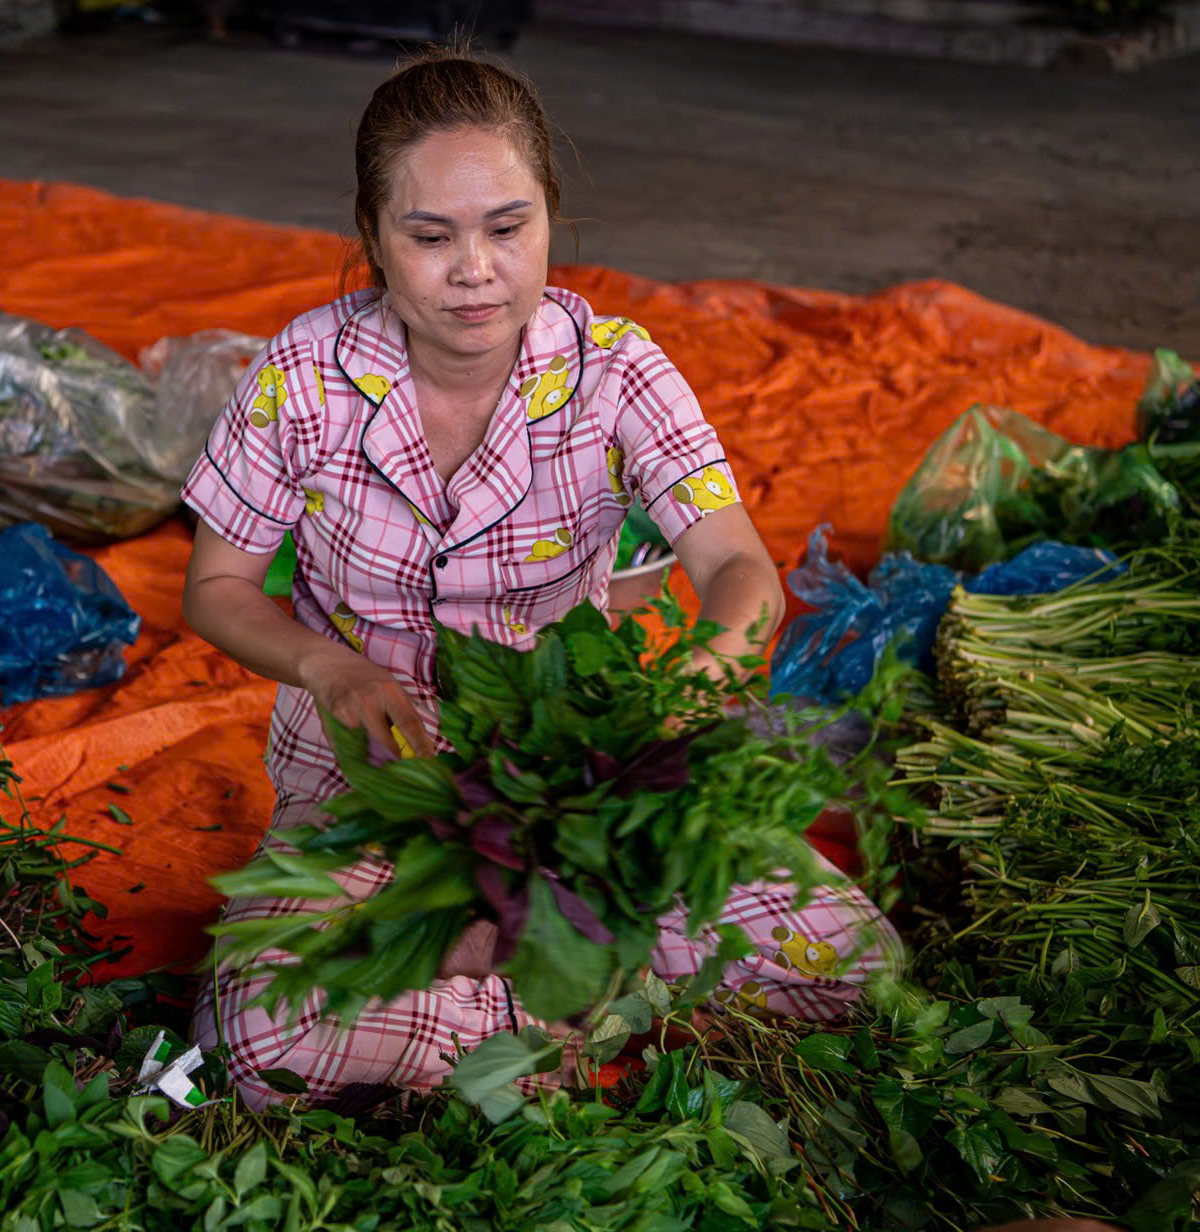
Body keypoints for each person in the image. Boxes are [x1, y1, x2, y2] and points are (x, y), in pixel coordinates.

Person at [179, 47, 894, 1112]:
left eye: (507, 228)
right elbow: (216, 584)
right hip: (376, 774)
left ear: (549, 220)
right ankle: (561, 983)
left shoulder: (616, 370)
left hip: (579, 779)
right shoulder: (304, 376)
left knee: (857, 970)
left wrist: (711, 664)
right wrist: (327, 669)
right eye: (430, 236)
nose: (475, 269)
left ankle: (510, 985)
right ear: (373, 238)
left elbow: (741, 566)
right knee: (271, 1039)